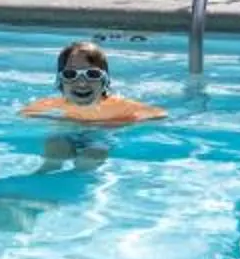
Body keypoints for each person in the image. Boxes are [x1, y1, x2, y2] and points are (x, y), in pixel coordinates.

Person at [19, 39, 165, 166]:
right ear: (60, 81)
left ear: (105, 80)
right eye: (71, 75)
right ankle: (43, 177)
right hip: (66, 135)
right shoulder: (52, 105)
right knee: (55, 146)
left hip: (100, 138)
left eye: (92, 74)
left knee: (93, 154)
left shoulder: (118, 105)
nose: (82, 83)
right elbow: (24, 114)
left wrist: (119, 121)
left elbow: (159, 115)